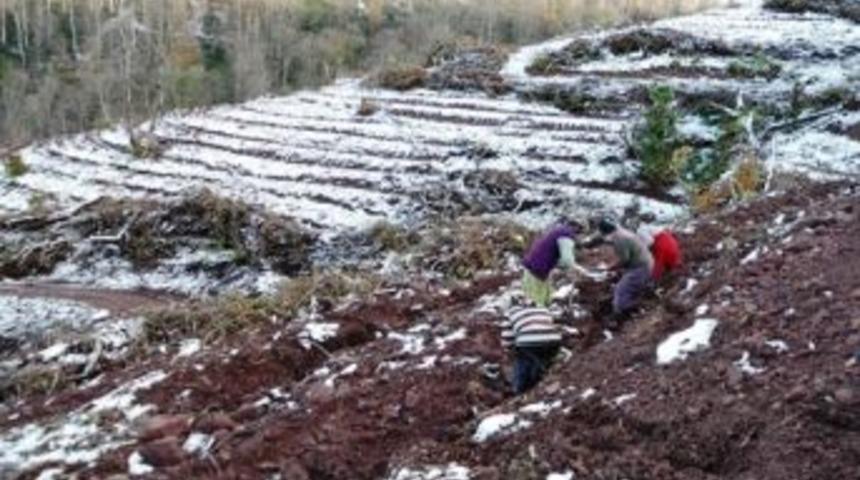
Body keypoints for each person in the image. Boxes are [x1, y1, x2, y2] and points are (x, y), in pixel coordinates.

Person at [599, 218, 654, 319]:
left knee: (620, 290)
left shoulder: (619, 239)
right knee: (629, 288)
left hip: (640, 267)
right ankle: (631, 308)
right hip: (645, 263)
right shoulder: (622, 232)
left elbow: (624, 259)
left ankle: (622, 313)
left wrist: (610, 267)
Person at [501, 306, 562, 394]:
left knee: (523, 361)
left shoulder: (510, 312)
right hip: (553, 340)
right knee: (542, 361)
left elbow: (507, 337)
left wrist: (509, 350)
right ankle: (540, 380)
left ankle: (519, 389)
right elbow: (556, 323)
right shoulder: (542, 309)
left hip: (529, 341)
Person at [521, 224, 577, 307]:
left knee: (544, 300)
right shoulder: (566, 236)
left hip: (536, 268)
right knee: (536, 303)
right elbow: (567, 260)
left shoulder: (558, 232)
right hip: (536, 271)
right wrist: (572, 270)